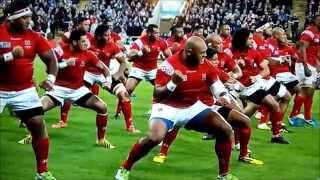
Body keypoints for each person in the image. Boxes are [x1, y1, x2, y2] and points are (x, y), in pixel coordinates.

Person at [115, 36, 238, 180]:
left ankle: (223, 175)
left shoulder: (205, 63)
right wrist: (173, 83)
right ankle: (125, 167)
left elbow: (216, 85)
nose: (205, 56)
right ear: (189, 51)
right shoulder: (169, 65)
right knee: (154, 137)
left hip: (192, 106)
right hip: (167, 107)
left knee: (225, 129)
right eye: (202, 53)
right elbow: (158, 94)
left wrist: (223, 96)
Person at [0, 1, 57, 179]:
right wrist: (9, 56)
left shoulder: (34, 36)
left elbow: (51, 59)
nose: (28, 21)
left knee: (38, 125)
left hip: (24, 90)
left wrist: (50, 78)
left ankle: (42, 172)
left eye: (29, 17)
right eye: (24, 18)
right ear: (13, 18)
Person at [40, 29, 115, 148]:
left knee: (102, 107)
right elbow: (49, 69)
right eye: (83, 41)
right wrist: (65, 64)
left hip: (78, 90)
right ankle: (33, 136)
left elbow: (104, 69)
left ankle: (101, 140)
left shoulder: (89, 54)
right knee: (37, 109)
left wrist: (108, 82)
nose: (87, 44)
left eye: (87, 41)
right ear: (74, 42)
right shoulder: (60, 50)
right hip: (58, 89)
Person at [231, 28, 290, 144]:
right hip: (242, 88)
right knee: (244, 114)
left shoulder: (253, 52)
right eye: (250, 39)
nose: (253, 41)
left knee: (274, 104)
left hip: (257, 85)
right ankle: (234, 137)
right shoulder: (231, 53)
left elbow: (266, 69)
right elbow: (224, 71)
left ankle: (276, 135)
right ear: (242, 39)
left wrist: (257, 77)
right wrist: (235, 70)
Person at [85, 24, 140, 133]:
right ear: (98, 36)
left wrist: (120, 73)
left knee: (124, 95)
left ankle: (130, 126)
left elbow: (123, 62)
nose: (109, 37)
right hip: (87, 73)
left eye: (110, 35)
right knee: (68, 90)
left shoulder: (112, 45)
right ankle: (63, 120)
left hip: (104, 74)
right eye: (106, 35)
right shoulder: (87, 42)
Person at [54, 16, 96, 128]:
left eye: (89, 24)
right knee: (69, 88)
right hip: (70, 64)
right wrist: (64, 59)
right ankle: (63, 119)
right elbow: (59, 45)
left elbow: (91, 49)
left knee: (75, 88)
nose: (88, 26)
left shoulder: (90, 36)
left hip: (84, 64)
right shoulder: (69, 35)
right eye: (86, 24)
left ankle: (64, 118)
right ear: (79, 25)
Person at [292, 15, 320, 126]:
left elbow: (316, 52)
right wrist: (305, 66)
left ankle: (308, 117)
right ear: (315, 21)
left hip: (313, 64)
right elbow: (302, 49)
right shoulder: (309, 32)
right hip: (304, 64)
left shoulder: (318, 33)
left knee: (311, 92)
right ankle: (293, 116)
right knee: (305, 90)